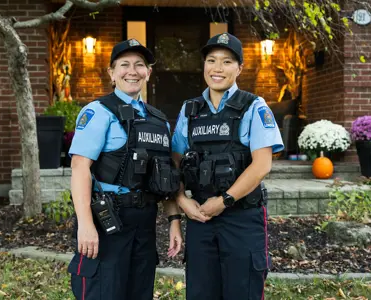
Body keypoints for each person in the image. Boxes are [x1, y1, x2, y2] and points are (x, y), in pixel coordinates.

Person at [172, 33, 284, 300]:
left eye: (227, 61)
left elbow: (261, 165)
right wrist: (181, 200)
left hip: (242, 218)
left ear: (239, 68)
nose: (217, 68)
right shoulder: (190, 110)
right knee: (200, 292)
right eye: (211, 60)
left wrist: (224, 200)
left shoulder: (253, 107)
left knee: (242, 291)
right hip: (200, 217)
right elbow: (173, 164)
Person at [68, 39, 182, 300]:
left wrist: (174, 221)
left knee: (139, 292)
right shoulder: (98, 112)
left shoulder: (159, 120)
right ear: (111, 73)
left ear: (148, 73)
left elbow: (165, 177)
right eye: (124, 65)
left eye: (140, 65)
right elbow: (79, 168)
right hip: (108, 220)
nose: (133, 71)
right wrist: (85, 225)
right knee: (103, 292)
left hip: (144, 222)